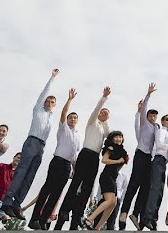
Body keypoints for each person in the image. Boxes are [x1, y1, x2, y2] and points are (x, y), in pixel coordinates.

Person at [1, 68, 59, 218]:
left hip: (41, 146)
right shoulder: (38, 109)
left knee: (30, 175)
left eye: (52, 102)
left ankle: (17, 203)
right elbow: (45, 92)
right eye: (48, 101)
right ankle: (7, 200)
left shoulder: (51, 116)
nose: (49, 103)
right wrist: (52, 78)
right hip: (32, 141)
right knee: (22, 171)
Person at [55, 86, 112, 230]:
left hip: (95, 158)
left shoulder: (103, 127)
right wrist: (104, 99)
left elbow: (109, 136)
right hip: (85, 154)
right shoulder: (92, 122)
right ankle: (63, 213)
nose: (103, 114)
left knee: (87, 188)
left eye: (106, 114)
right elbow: (96, 110)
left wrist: (106, 120)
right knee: (75, 184)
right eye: (102, 113)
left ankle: (78, 217)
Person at [30, 88, 82, 229]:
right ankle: (34, 218)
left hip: (67, 166)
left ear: (77, 120)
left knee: (56, 195)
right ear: (67, 120)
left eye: (75, 117)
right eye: (70, 117)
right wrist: (69, 100)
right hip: (57, 162)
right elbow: (64, 113)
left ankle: (42, 221)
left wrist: (75, 169)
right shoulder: (63, 128)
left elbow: (74, 155)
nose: (72, 119)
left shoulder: (77, 135)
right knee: (47, 189)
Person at [119, 86, 158, 230]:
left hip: (149, 159)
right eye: (151, 116)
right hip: (140, 156)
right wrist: (148, 94)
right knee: (134, 184)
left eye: (155, 116)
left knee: (146, 187)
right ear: (147, 116)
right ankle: (123, 212)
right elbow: (143, 110)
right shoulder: (145, 124)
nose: (153, 118)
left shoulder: (156, 128)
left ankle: (136, 214)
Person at [83, 131, 129, 231]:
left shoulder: (121, 151)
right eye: (116, 137)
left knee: (113, 203)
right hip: (107, 176)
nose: (118, 139)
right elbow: (104, 160)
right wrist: (118, 161)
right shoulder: (110, 148)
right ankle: (90, 219)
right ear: (112, 139)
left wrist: (122, 159)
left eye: (120, 137)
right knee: (109, 200)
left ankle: (98, 227)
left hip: (113, 177)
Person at [142, 109, 168, 231]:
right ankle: (147, 217)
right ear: (162, 121)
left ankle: (153, 219)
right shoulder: (160, 130)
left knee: (160, 192)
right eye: (167, 119)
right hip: (157, 160)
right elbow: (159, 144)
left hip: (163, 163)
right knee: (155, 189)